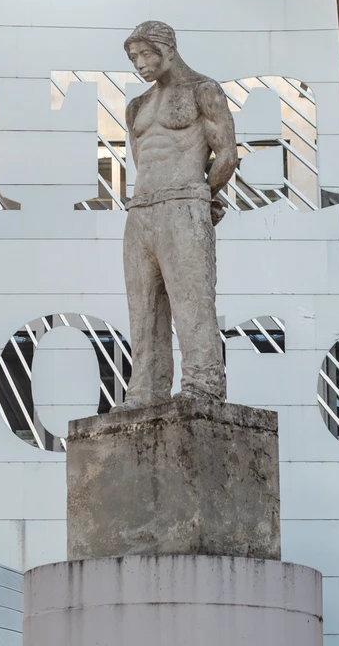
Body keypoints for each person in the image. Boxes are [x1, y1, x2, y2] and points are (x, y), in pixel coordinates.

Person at [119, 21, 237, 407]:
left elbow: (226, 155)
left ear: (166, 48)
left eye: (144, 54)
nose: (139, 63)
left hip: (184, 201)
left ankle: (203, 384)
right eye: (133, 57)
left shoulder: (203, 91)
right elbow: (141, 162)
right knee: (143, 308)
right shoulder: (136, 106)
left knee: (192, 300)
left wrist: (204, 194)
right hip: (141, 211)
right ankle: (145, 389)